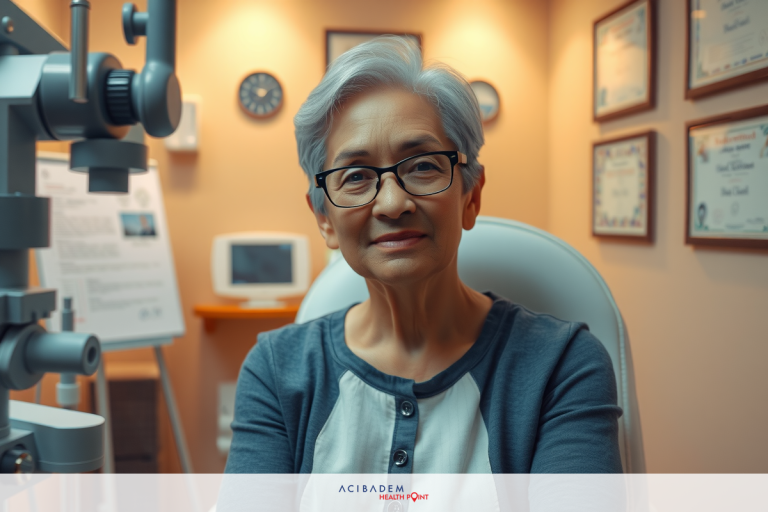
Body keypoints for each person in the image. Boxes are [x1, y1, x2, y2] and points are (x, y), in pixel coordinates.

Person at [224, 37, 622, 474]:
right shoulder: (276, 372)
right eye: (356, 176)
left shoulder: (563, 366)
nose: (393, 203)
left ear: (470, 196)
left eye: (423, 166)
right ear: (323, 218)